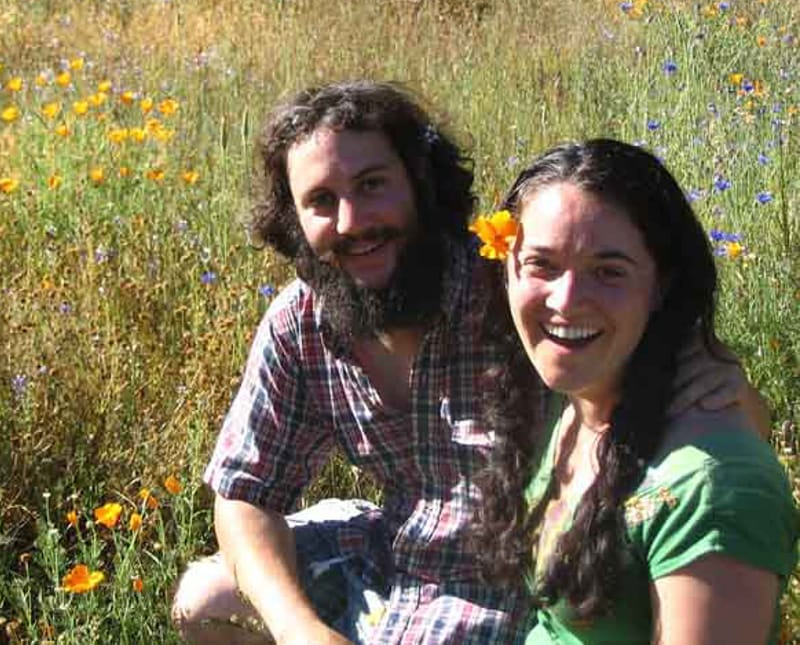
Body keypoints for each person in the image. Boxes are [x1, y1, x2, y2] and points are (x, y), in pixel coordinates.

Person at [171, 82, 767, 644]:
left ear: (420, 183)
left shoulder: (517, 293)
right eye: (321, 201)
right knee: (205, 598)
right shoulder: (301, 322)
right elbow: (245, 494)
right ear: (294, 220)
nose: (352, 221)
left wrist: (728, 386)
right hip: (394, 545)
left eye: (373, 184)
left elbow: (712, 433)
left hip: (515, 579)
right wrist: (300, 629)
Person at [470, 139, 798, 644]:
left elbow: (715, 478)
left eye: (608, 272)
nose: (567, 301)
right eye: (542, 264)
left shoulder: (709, 488)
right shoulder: (576, 395)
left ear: (661, 284)